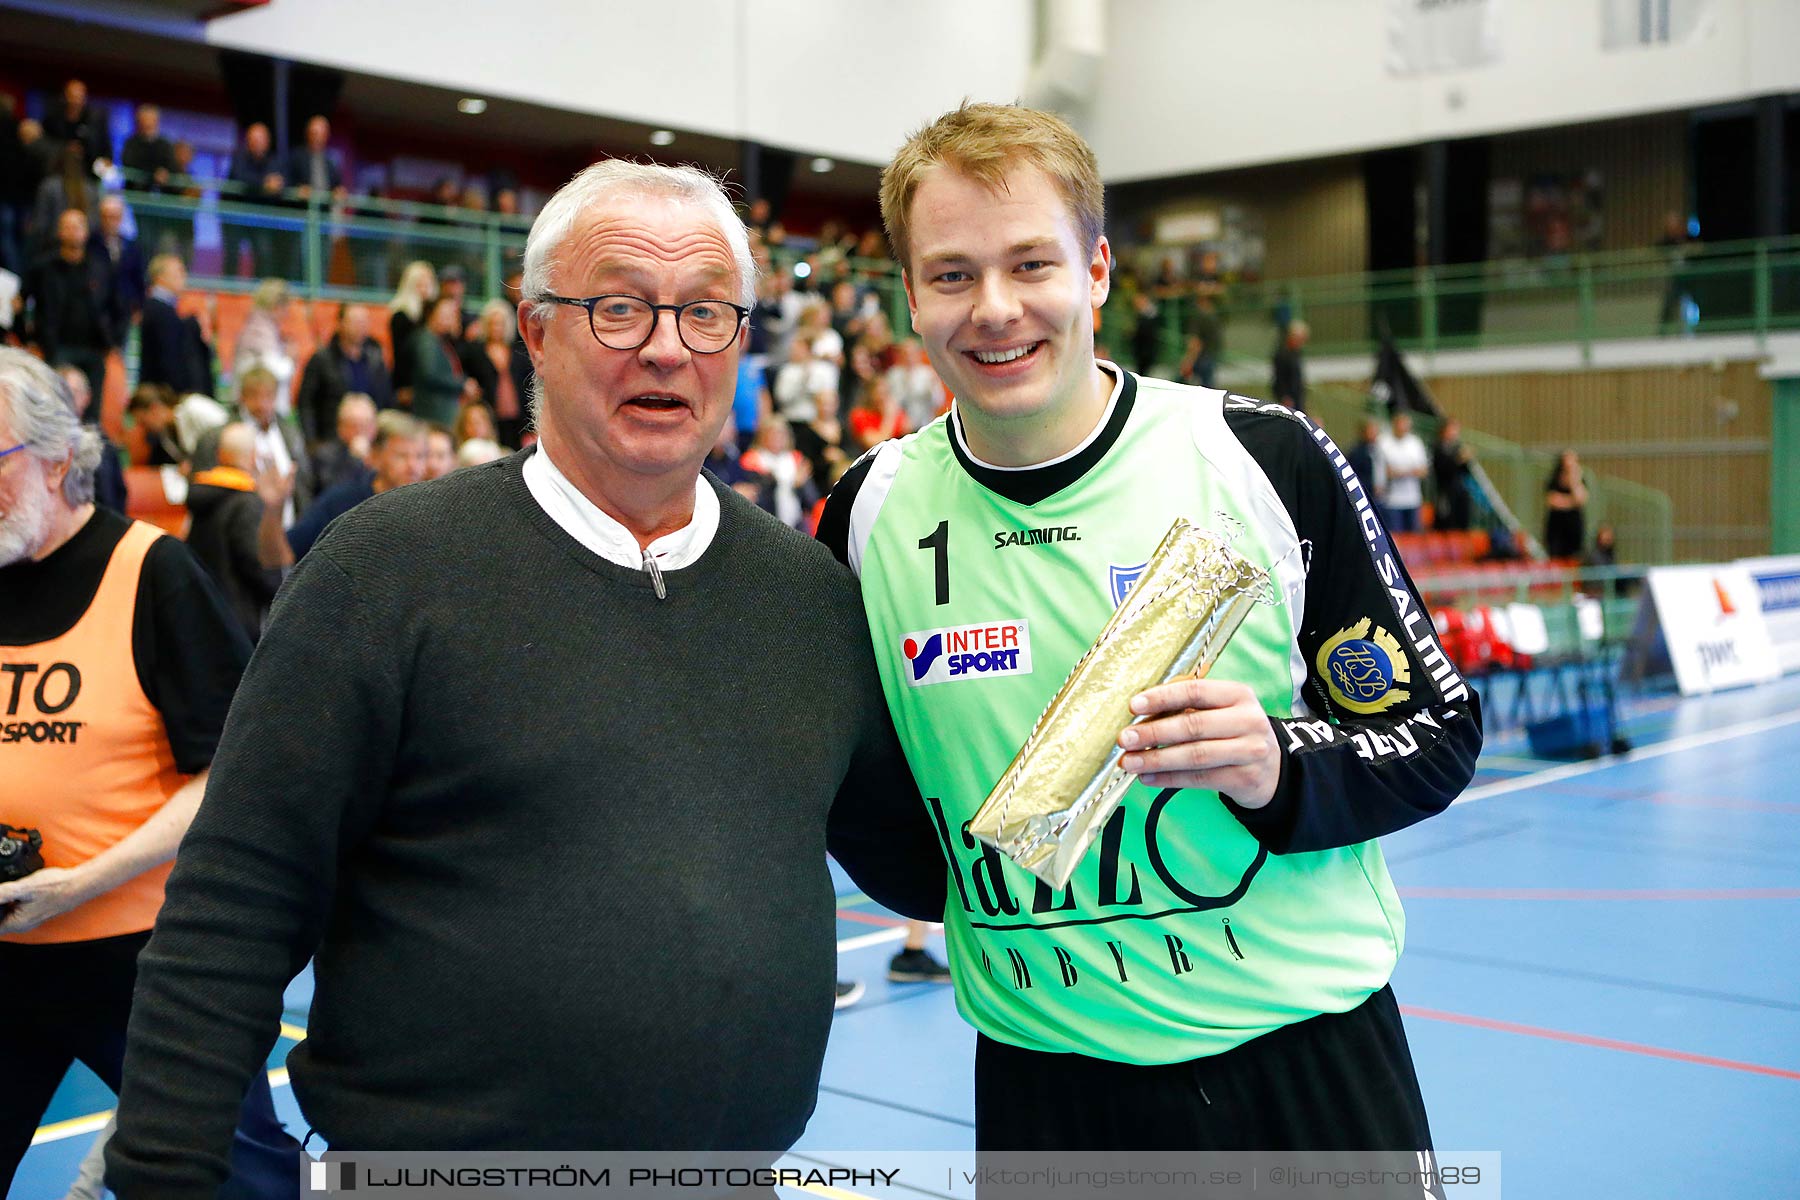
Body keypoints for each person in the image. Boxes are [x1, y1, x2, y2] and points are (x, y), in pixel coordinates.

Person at [105, 159, 935, 1193]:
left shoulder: (808, 598)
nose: (667, 349)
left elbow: (921, 863)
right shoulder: (384, 572)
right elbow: (236, 903)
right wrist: (161, 1175)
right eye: (621, 307)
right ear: (534, 328)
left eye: (707, 313)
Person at [818, 101, 1481, 1154]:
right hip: (1049, 1097)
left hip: (1304, 1075)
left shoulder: (1261, 459)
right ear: (908, 295)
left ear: (1098, 270)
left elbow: (1437, 735)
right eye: (951, 274)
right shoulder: (867, 513)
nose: (994, 308)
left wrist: (1277, 761)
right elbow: (871, 809)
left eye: (1032, 263)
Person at [0, 349, 303, 1199]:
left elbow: (233, 772)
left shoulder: (152, 574)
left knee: (238, 1175)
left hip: (143, 955)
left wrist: (83, 881)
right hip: (9, 951)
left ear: (59, 459)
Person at [185, 422, 281, 642]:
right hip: (238, 618)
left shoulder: (202, 496)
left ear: (219, 455)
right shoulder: (246, 502)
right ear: (253, 455)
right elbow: (254, 562)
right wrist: (281, 593)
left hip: (205, 610)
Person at [23, 208, 116, 415]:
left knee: (91, 413)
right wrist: (28, 337)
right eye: (68, 227)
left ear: (86, 231)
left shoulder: (100, 267)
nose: (73, 232)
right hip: (56, 347)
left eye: (78, 226)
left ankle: (89, 447)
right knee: (54, 408)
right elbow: (20, 301)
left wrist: (112, 339)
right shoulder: (43, 267)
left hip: (93, 349)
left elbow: (116, 303)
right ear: (59, 232)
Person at [295, 302, 392, 447]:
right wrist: (312, 442)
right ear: (340, 323)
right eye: (355, 321)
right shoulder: (321, 359)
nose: (361, 326)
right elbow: (306, 404)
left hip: (370, 440)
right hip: (331, 440)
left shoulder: (375, 359)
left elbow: (386, 400)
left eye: (364, 322)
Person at [138, 255, 216, 398]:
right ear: (160, 278)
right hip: (164, 397)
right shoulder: (160, 311)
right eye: (178, 273)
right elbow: (168, 360)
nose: (183, 277)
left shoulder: (161, 309)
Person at [1376, 410, 1429, 533]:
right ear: (1394, 424)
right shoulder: (1384, 442)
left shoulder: (1415, 443)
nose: (1402, 427)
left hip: (1413, 499)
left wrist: (1401, 473)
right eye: (1400, 424)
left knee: (1413, 541)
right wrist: (1410, 471)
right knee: (1396, 538)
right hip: (1392, 500)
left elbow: (1423, 470)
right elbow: (1384, 472)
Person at [1431, 418, 1475, 532]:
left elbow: (1465, 471)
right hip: (1445, 491)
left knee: (1461, 521)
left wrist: (1466, 460)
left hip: (1459, 490)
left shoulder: (1457, 448)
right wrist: (1459, 459)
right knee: (1446, 522)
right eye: (1452, 429)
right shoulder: (1438, 447)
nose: (1454, 433)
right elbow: (1442, 468)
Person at [1544, 449, 1587, 560]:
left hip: (1573, 526)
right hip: (1556, 526)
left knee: (1574, 557)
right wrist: (1572, 502)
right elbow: (1552, 500)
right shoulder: (1554, 479)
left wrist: (1574, 480)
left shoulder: (1579, 480)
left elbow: (1580, 499)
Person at [1271, 317, 1308, 412]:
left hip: (1297, 397)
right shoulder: (1282, 354)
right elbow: (1279, 378)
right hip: (1288, 399)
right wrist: (1284, 397)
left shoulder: (1296, 353)